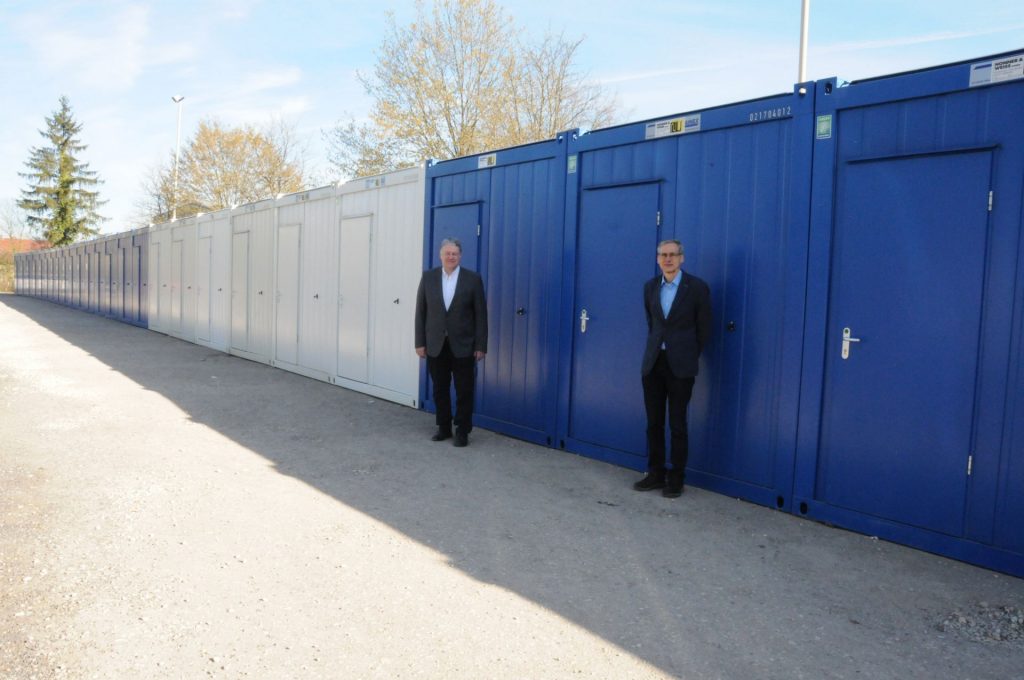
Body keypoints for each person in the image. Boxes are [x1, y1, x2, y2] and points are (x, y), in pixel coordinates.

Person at [635, 239, 712, 498]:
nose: (668, 259)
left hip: (681, 367)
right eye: (663, 255)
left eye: (672, 255)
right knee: (654, 423)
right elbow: (653, 324)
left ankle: (676, 478)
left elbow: (703, 330)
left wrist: (687, 355)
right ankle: (655, 473)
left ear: (682, 258)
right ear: (657, 259)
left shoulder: (698, 288)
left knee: (677, 424)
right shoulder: (649, 288)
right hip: (654, 364)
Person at [415, 238, 488, 447]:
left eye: (454, 254)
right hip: (435, 344)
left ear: (460, 256)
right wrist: (420, 342)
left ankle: (462, 431)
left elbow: (481, 315)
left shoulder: (472, 279)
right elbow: (421, 312)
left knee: (464, 390)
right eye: (447, 253)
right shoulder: (428, 278)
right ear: (440, 255)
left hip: (464, 344)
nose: (451, 257)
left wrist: (480, 345)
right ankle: (444, 428)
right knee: (440, 388)